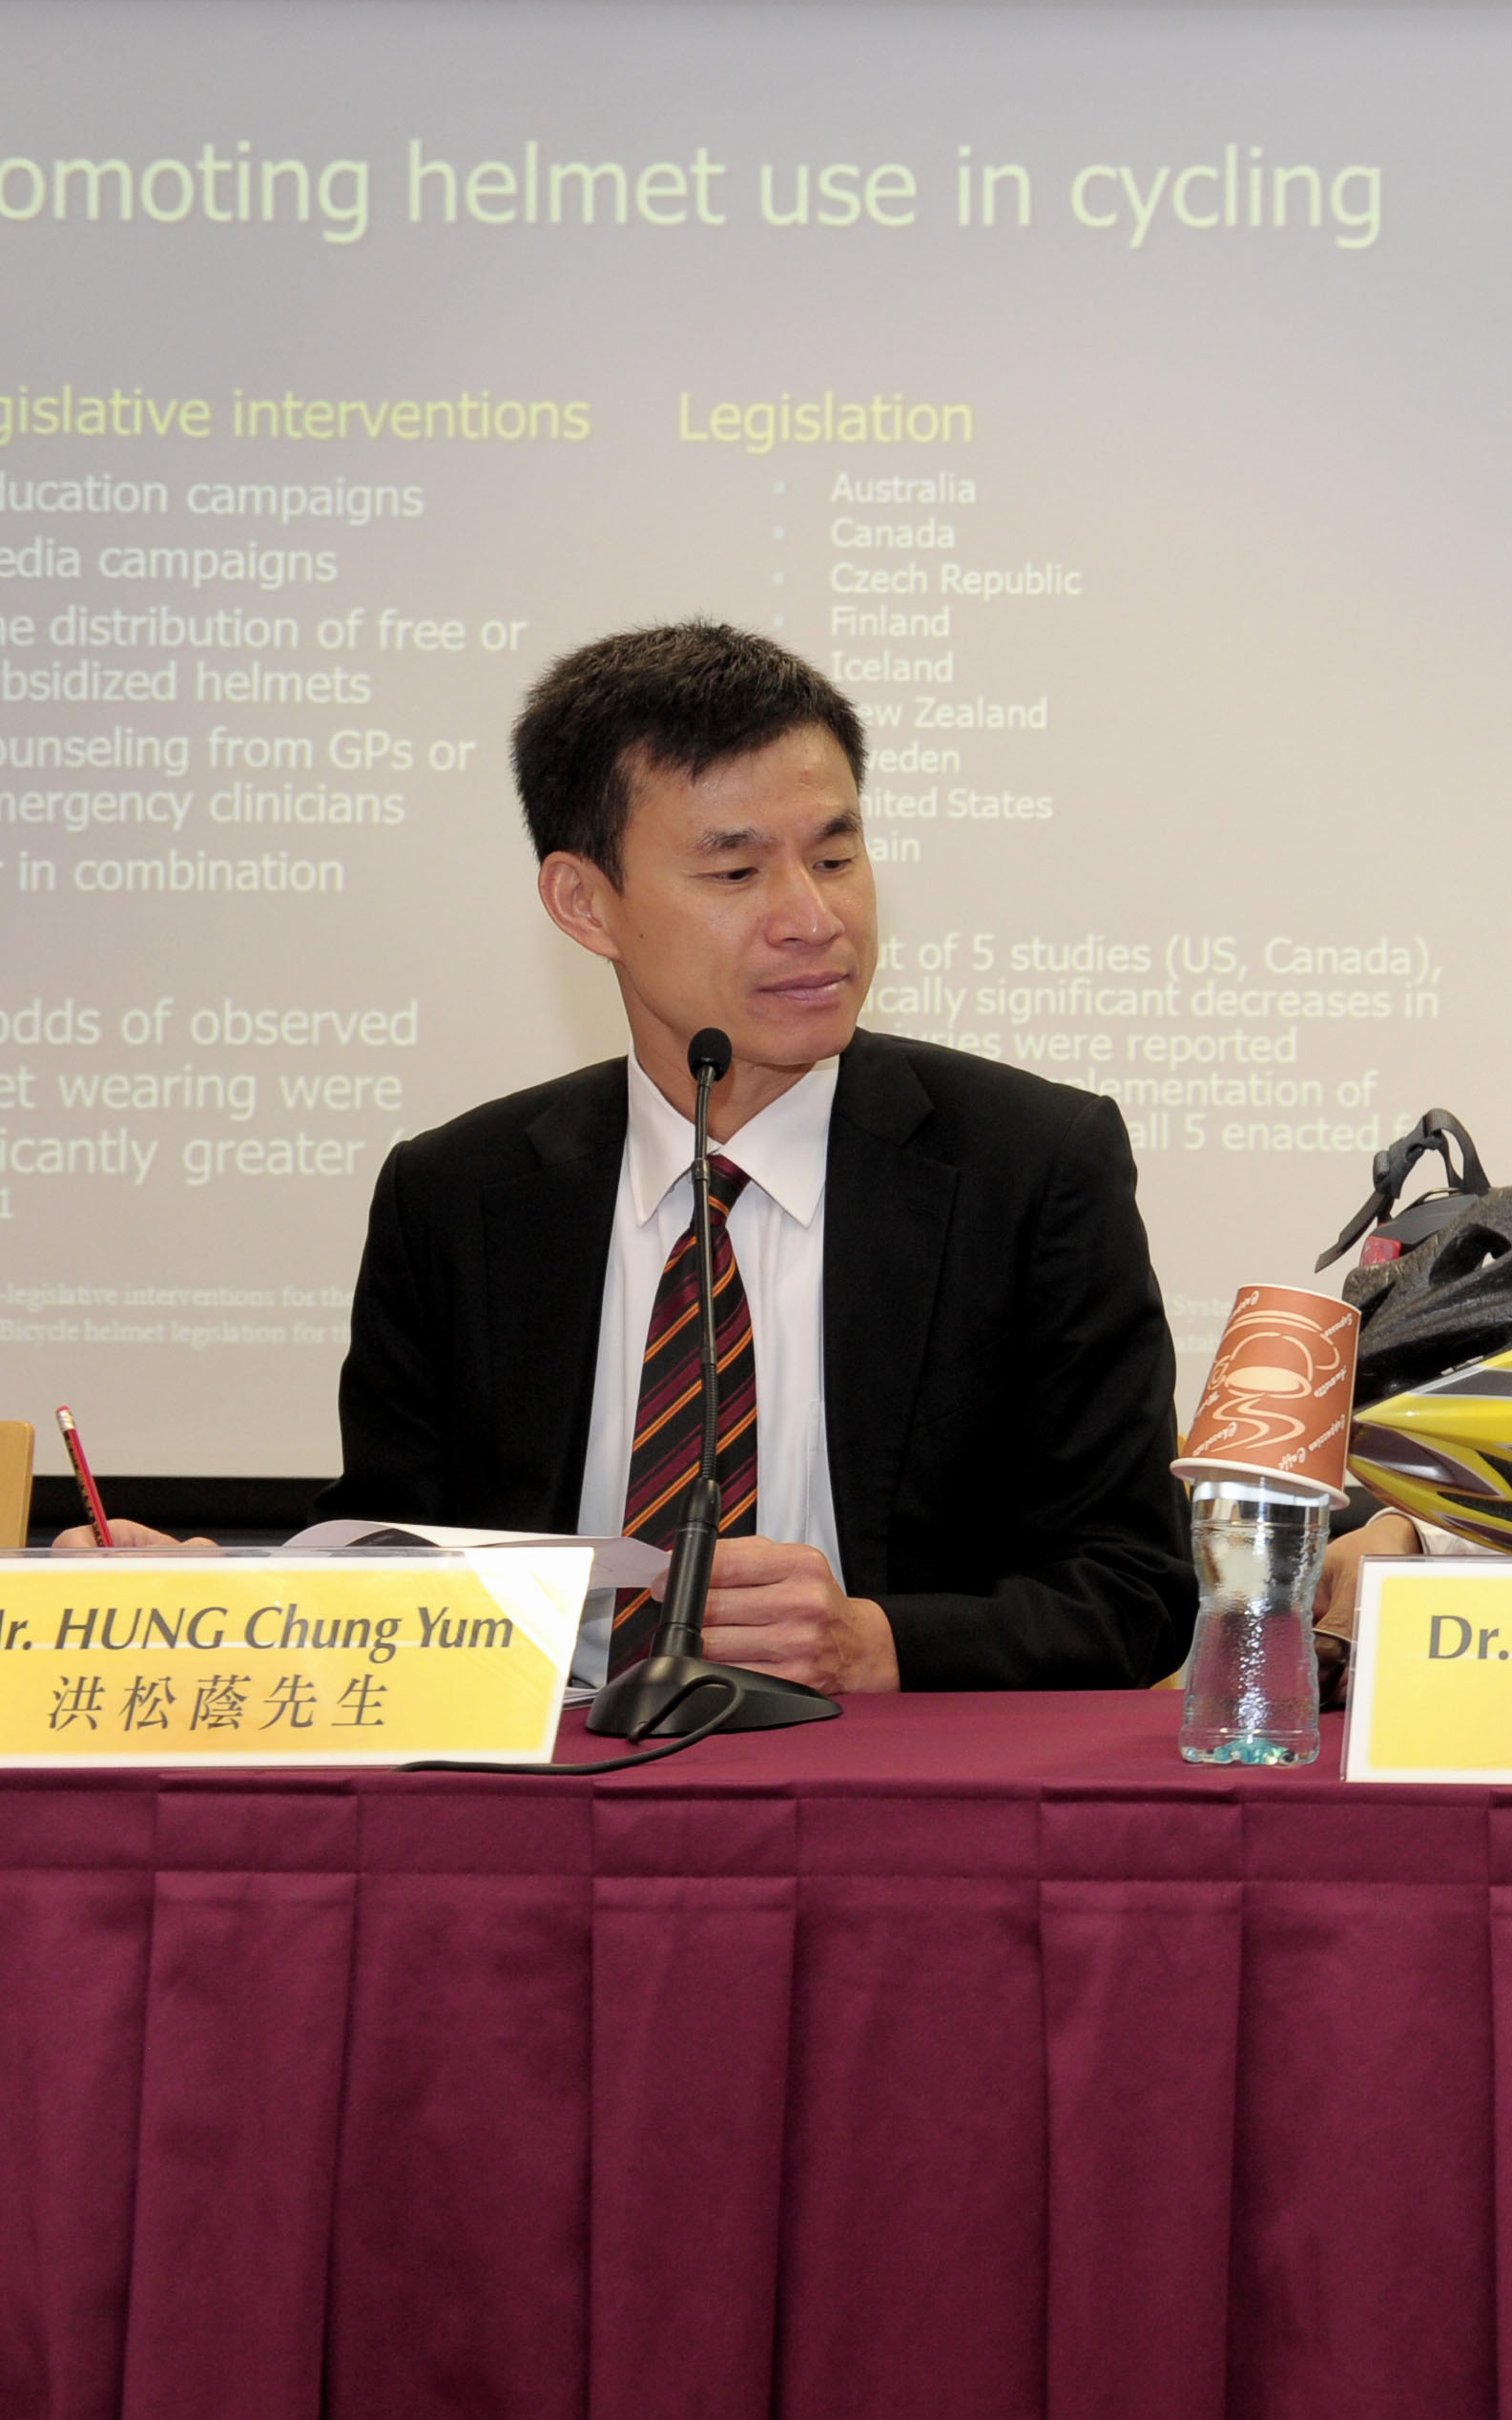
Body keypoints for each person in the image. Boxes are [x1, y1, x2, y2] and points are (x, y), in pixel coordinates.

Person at [57, 624, 1197, 1695]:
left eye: (837, 857)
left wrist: (880, 1643)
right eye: (736, 873)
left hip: (881, 1805)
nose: (812, 918)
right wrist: (214, 1605)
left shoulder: (1031, 1165)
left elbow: (1138, 1590)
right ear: (583, 902)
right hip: (543, 1809)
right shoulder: (455, 1197)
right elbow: (395, 1567)